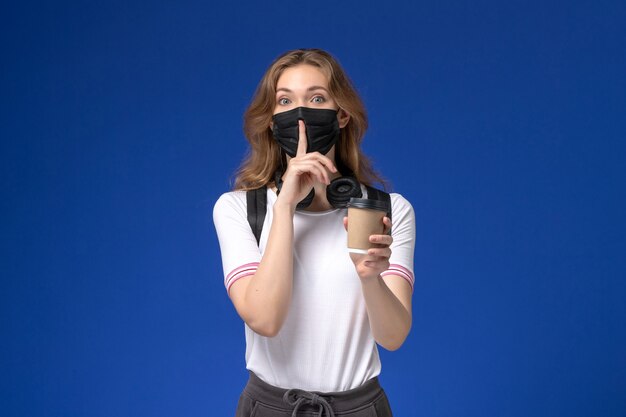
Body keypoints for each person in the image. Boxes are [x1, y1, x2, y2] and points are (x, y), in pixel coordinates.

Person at [213, 48, 415, 417]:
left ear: (341, 115)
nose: (300, 114)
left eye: (317, 98)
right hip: (270, 408)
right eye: (285, 101)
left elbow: (393, 336)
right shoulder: (239, 209)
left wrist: (370, 277)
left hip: (361, 409)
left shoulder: (387, 210)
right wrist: (285, 207)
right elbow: (265, 319)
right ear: (272, 120)